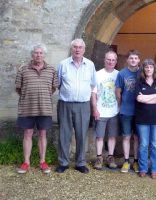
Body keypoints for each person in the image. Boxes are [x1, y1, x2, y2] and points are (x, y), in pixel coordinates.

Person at [15, 44, 58, 174]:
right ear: (32, 54)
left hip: (44, 108)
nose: (38, 55)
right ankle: (26, 162)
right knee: (27, 134)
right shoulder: (23, 69)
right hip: (27, 108)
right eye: (35, 53)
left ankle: (42, 161)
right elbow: (18, 88)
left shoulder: (51, 70)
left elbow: (54, 88)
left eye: (40, 53)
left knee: (42, 134)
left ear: (44, 55)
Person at [56, 38, 97, 174]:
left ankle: (80, 162)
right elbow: (58, 84)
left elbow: (93, 86)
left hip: (83, 105)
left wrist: (93, 107)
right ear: (71, 49)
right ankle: (63, 162)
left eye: (80, 47)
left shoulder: (90, 65)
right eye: (75, 47)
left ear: (84, 50)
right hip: (65, 104)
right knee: (64, 134)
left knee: (81, 134)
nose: (77, 49)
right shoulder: (63, 64)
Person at [135, 59, 156, 179]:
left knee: (155, 145)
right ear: (143, 69)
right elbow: (139, 99)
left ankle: (154, 169)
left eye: (151, 67)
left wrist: (146, 98)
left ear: (154, 69)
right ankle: (143, 168)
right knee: (143, 144)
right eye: (146, 67)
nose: (148, 69)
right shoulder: (139, 82)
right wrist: (155, 96)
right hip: (142, 118)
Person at [91, 50, 119, 170]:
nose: (110, 62)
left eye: (113, 60)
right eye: (108, 59)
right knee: (100, 136)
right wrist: (95, 109)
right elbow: (93, 94)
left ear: (116, 61)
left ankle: (110, 157)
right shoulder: (97, 74)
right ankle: (99, 157)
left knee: (112, 136)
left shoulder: (119, 74)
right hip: (101, 110)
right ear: (104, 60)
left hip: (115, 111)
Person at [115, 50, 140, 173]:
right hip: (126, 110)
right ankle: (126, 161)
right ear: (127, 60)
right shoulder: (122, 73)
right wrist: (121, 105)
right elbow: (118, 91)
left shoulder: (142, 73)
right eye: (131, 58)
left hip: (140, 110)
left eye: (135, 58)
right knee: (126, 136)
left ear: (139, 60)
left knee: (137, 137)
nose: (133, 60)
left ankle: (135, 161)